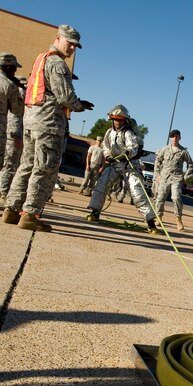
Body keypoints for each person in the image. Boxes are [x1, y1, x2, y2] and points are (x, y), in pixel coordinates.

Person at [2, 25, 94, 232]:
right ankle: (31, 214)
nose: (71, 48)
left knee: (26, 165)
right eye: (69, 43)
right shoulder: (57, 63)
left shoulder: (41, 58)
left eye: (75, 45)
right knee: (44, 169)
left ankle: (11, 209)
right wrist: (79, 106)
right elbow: (65, 97)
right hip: (48, 123)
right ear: (58, 38)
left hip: (31, 120)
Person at [86, 105, 159, 234]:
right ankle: (95, 212)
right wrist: (108, 155)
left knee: (137, 192)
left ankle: (151, 223)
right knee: (102, 185)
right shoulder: (109, 132)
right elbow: (106, 146)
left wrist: (128, 152)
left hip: (130, 166)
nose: (117, 122)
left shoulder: (129, 133)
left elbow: (134, 147)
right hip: (115, 164)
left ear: (125, 120)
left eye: (120, 119)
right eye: (115, 119)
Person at [154, 129, 193, 231]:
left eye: (177, 136)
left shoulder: (183, 151)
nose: (175, 138)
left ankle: (178, 219)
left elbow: (190, 165)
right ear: (170, 138)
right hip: (164, 177)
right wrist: (157, 174)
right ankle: (159, 218)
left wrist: (185, 178)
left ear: (180, 138)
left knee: (176, 198)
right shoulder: (165, 149)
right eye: (173, 136)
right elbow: (158, 161)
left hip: (176, 178)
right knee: (160, 198)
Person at [0, 75, 26, 200]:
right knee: (10, 165)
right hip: (13, 135)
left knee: (8, 164)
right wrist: (17, 136)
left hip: (9, 133)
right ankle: (3, 192)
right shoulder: (19, 93)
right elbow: (15, 116)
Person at [0, 53, 24, 172]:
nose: (15, 72)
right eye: (14, 69)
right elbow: (17, 110)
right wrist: (17, 88)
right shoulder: (9, 84)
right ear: (8, 67)